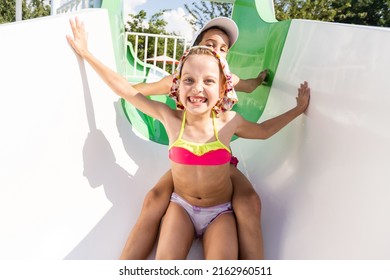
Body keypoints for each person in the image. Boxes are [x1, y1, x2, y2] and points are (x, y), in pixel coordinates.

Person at [67, 17, 310, 259]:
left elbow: (264, 130)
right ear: (178, 86)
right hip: (181, 206)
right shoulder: (170, 119)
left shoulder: (228, 122)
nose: (197, 88)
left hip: (219, 212)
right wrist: (86, 53)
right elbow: (126, 90)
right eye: (189, 81)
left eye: (209, 82)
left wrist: (297, 109)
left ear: (223, 89)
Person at [120, 17, 268, 260]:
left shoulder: (226, 77)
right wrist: (122, 90)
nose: (217, 51)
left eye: (223, 49)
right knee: (155, 198)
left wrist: (262, 77)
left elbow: (250, 86)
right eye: (211, 44)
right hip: (186, 150)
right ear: (197, 45)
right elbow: (139, 91)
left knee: (249, 200)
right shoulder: (180, 79)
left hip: (217, 152)